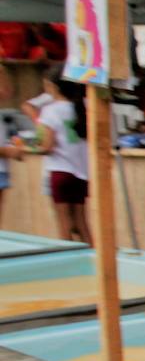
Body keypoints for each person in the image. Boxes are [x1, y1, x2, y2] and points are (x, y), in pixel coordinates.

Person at [13, 65, 91, 243]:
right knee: (82, 223)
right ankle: (95, 261)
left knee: (64, 225)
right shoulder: (84, 107)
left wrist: (28, 147)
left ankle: (69, 265)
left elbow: (47, 145)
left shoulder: (51, 111)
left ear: (53, 87)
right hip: (81, 172)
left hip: (59, 171)